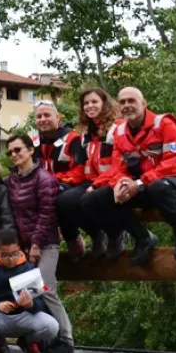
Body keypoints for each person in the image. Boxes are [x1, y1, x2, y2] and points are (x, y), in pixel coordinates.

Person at [83, 87, 176, 265]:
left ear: (144, 104)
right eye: (122, 102)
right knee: (99, 197)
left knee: (158, 186)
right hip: (144, 186)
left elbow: (174, 163)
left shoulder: (165, 124)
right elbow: (118, 167)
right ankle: (143, 238)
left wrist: (139, 184)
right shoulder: (120, 131)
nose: (127, 105)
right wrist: (119, 185)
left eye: (131, 101)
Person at [4, 135, 73, 353]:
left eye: (18, 150)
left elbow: (47, 214)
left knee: (47, 290)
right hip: (23, 246)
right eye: (10, 152)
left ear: (30, 150)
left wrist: (36, 244)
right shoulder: (12, 181)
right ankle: (41, 338)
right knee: (27, 292)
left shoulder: (44, 178)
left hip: (46, 244)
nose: (14, 155)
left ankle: (65, 338)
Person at [0, 229, 60, 353]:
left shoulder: (28, 268)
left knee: (52, 326)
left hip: (24, 316)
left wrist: (31, 304)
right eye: (5, 255)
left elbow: (41, 303)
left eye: (15, 254)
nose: (11, 259)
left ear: (19, 249)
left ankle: (28, 341)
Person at [56, 87, 118, 260]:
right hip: (92, 182)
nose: (90, 106)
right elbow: (83, 167)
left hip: (114, 180)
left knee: (88, 201)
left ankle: (115, 235)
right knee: (64, 201)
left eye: (94, 102)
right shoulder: (86, 135)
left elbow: (120, 164)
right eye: (86, 103)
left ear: (104, 104)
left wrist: (96, 184)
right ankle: (97, 235)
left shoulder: (117, 129)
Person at [30, 101, 78, 181]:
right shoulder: (34, 142)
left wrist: (51, 179)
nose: (42, 119)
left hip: (66, 185)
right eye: (39, 116)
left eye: (47, 115)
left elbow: (79, 172)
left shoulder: (73, 139)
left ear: (58, 117)